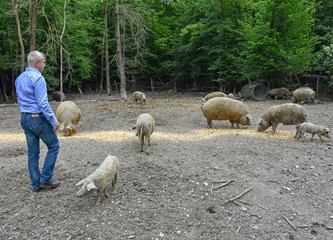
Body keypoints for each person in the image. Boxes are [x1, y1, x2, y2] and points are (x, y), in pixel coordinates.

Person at [15, 50, 61, 192]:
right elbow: (43, 103)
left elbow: (20, 101)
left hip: (24, 118)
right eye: (43, 62)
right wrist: (53, 120)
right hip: (37, 118)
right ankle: (45, 179)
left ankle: (35, 184)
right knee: (54, 146)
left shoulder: (19, 78)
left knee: (32, 153)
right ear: (37, 63)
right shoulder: (38, 78)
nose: (44, 65)